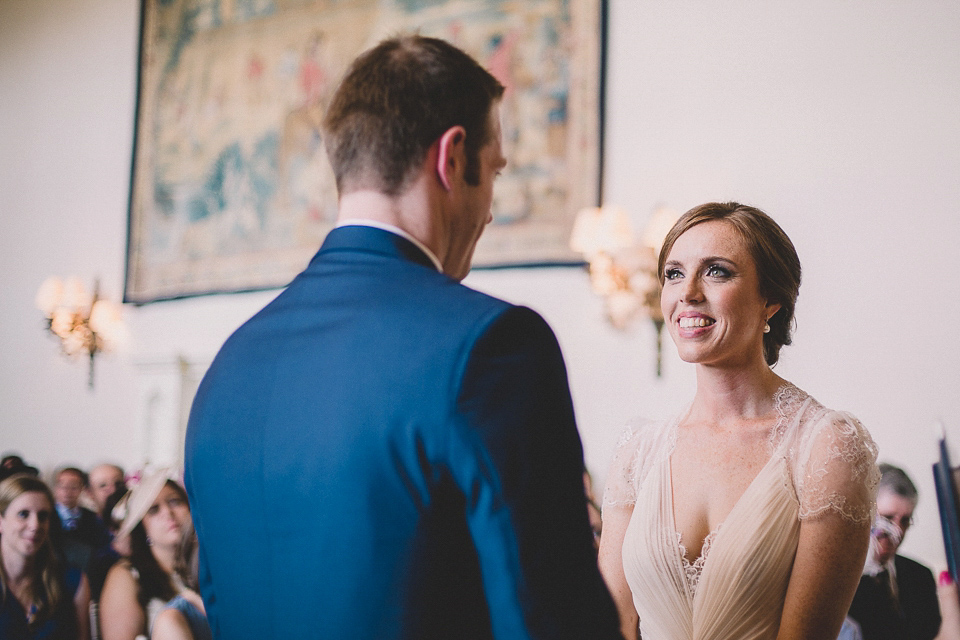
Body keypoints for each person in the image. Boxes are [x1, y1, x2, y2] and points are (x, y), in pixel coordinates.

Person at [185, 34, 622, 639]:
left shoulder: (226, 369)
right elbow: (553, 620)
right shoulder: (493, 346)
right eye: (493, 172)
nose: (490, 209)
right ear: (451, 157)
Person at [598, 202, 881, 640]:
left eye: (716, 271)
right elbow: (612, 625)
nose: (687, 292)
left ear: (771, 300)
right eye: (674, 273)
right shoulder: (639, 451)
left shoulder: (825, 447)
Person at [848, 463, 941, 640]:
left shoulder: (921, 576)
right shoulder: (842, 580)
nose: (897, 532)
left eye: (905, 521)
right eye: (887, 518)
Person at [98, 472, 191, 640]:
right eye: (154, 510)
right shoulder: (127, 574)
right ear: (143, 526)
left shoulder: (209, 563)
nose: (168, 513)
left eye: (174, 502)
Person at [0, 473, 91, 639]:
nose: (35, 525)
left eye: (43, 516)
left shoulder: (71, 580)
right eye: (23, 514)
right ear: (1, 521)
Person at [52, 468, 111, 573]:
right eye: (62, 486)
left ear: (82, 489)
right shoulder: (47, 515)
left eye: (73, 487)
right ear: (55, 488)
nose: (67, 491)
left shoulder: (92, 517)